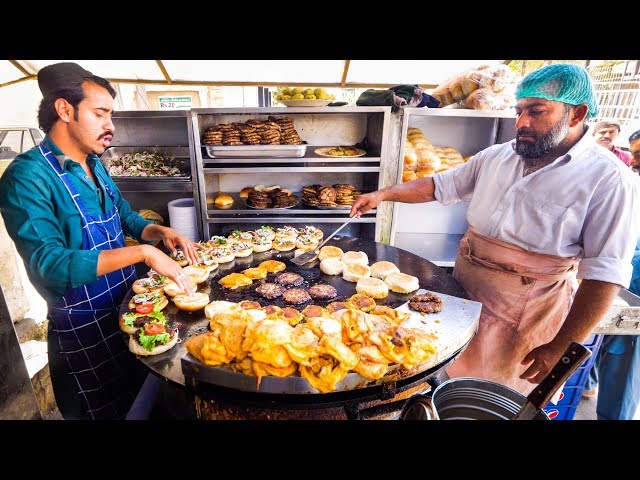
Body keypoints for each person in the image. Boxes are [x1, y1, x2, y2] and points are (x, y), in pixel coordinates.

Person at [350, 63, 640, 395]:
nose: (521, 123)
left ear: (576, 115)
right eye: (518, 111)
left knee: (493, 397)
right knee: (442, 377)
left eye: (536, 111)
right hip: (463, 293)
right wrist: (384, 194)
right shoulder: (499, 156)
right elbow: (438, 186)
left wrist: (562, 345)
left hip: (527, 312)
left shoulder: (610, 181)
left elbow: (604, 276)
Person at [0, 62, 200, 420]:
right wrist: (143, 253)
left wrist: (159, 233)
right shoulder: (28, 176)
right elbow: (49, 263)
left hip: (129, 309)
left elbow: (125, 216)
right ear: (65, 109)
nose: (111, 125)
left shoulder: (96, 164)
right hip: (84, 327)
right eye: (100, 113)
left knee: (146, 401)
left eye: (111, 114)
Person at [582, 129, 640, 420]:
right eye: (634, 153)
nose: (634, 160)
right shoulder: (627, 182)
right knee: (595, 337)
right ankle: (587, 385)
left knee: (624, 363)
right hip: (614, 279)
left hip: (633, 291)